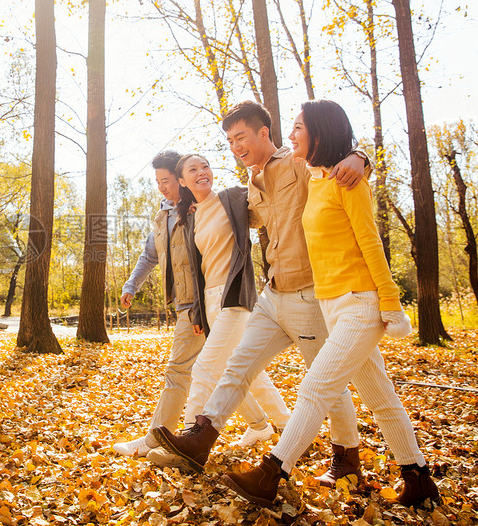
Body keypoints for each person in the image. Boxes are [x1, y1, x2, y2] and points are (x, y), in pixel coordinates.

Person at [219, 100, 439, 508]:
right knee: (381, 398)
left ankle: (271, 474)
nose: (292, 134)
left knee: (315, 387)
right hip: (332, 304)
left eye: (299, 127)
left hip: (360, 302)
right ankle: (419, 479)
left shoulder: (345, 181)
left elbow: (371, 243)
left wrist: (391, 304)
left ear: (320, 131)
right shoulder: (316, 179)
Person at [149, 101, 367, 489]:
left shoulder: (297, 163)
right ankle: (201, 437)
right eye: (230, 141)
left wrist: (359, 155)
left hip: (309, 292)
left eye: (240, 137)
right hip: (272, 292)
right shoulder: (250, 185)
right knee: (239, 365)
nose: (235, 146)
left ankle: (346, 457)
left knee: (325, 383)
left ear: (263, 133)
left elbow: (335, 165)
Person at [169, 153, 290, 465]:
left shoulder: (232, 198)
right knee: (244, 371)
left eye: (205, 166)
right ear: (183, 181)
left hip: (235, 296)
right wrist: (197, 310)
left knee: (205, 369)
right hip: (210, 301)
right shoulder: (192, 217)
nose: (201, 172)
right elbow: (198, 269)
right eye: (192, 169)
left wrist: (260, 171)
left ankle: (188, 438)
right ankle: (274, 426)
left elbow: (263, 206)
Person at [111, 151, 205, 457]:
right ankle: (262, 423)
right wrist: (131, 285)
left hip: (199, 303)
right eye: (157, 182)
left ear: (180, 178)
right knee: (229, 369)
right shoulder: (163, 212)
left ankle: (155, 438)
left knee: (178, 371)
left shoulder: (199, 207)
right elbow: (150, 255)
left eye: (166, 180)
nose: (161, 187)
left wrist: (201, 306)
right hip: (183, 302)